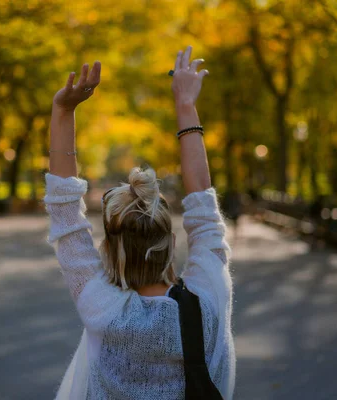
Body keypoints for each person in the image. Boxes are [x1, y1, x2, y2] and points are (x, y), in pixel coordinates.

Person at [44, 46, 236, 399]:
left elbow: (64, 212)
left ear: (108, 250)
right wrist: (185, 105)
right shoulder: (209, 297)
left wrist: (63, 111)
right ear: (172, 243)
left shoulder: (103, 310)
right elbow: (205, 211)